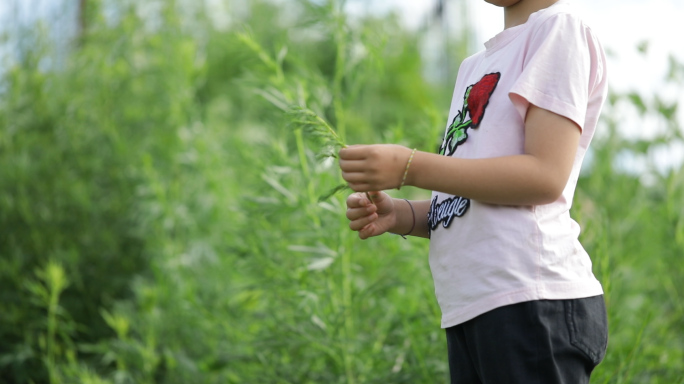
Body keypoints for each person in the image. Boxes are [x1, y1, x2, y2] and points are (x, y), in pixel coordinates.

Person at [338, 0, 609, 382]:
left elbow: (545, 176)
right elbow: (467, 198)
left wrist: (409, 166)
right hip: (474, 305)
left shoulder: (558, 29)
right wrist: (401, 214)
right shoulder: (475, 66)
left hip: (532, 297)